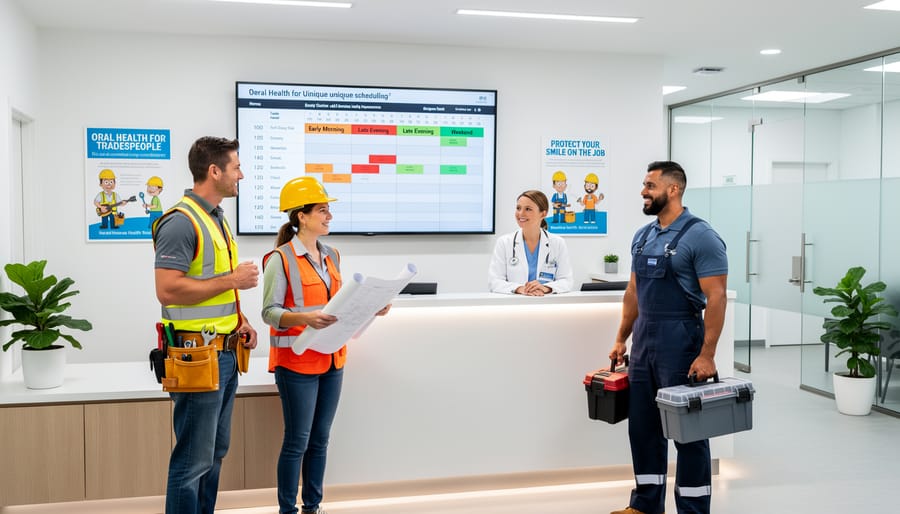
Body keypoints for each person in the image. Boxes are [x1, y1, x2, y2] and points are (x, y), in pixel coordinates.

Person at [261, 176, 390, 514]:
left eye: (328, 210)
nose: (329, 216)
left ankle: (312, 506)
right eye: (322, 210)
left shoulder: (331, 254)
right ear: (301, 216)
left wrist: (370, 306)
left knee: (320, 440)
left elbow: (338, 305)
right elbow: (269, 313)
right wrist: (306, 317)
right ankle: (287, 509)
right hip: (297, 362)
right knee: (297, 441)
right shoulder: (280, 259)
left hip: (333, 360)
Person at [607, 161, 728, 514]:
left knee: (688, 433)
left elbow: (717, 296)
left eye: (650, 185)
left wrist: (707, 354)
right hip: (644, 343)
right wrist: (621, 338)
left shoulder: (701, 236)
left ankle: (692, 509)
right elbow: (633, 291)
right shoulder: (643, 236)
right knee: (643, 430)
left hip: (682, 341)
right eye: (644, 185)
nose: (643, 191)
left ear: (673, 190)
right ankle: (645, 505)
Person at [153, 136, 259, 514]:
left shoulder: (217, 218)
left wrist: (241, 322)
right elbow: (167, 290)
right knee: (192, 461)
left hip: (226, 354)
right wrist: (233, 280)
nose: (241, 175)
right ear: (214, 171)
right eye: (235, 168)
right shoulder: (181, 223)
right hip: (196, 357)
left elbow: (211, 289)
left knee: (214, 453)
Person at [488, 189, 573, 295]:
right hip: (514, 305)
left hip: (547, 305)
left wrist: (545, 287)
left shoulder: (557, 243)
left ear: (543, 214)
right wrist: (520, 288)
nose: (520, 213)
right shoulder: (504, 242)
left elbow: (566, 281)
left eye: (528, 209)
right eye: (518, 208)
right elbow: (494, 281)